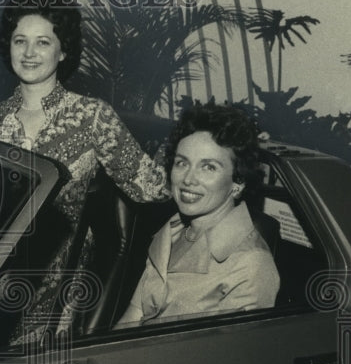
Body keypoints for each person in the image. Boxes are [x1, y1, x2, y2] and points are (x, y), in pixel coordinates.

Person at [0, 0, 168, 342]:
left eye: (43, 42)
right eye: (20, 40)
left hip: (53, 279)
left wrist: (198, 157)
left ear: (63, 50)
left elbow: (150, 187)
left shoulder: (93, 117)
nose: (28, 53)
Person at [115, 102, 279, 325]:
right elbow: (133, 317)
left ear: (238, 182)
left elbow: (230, 357)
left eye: (208, 167)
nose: (188, 179)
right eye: (182, 163)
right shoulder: (169, 233)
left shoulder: (251, 264)